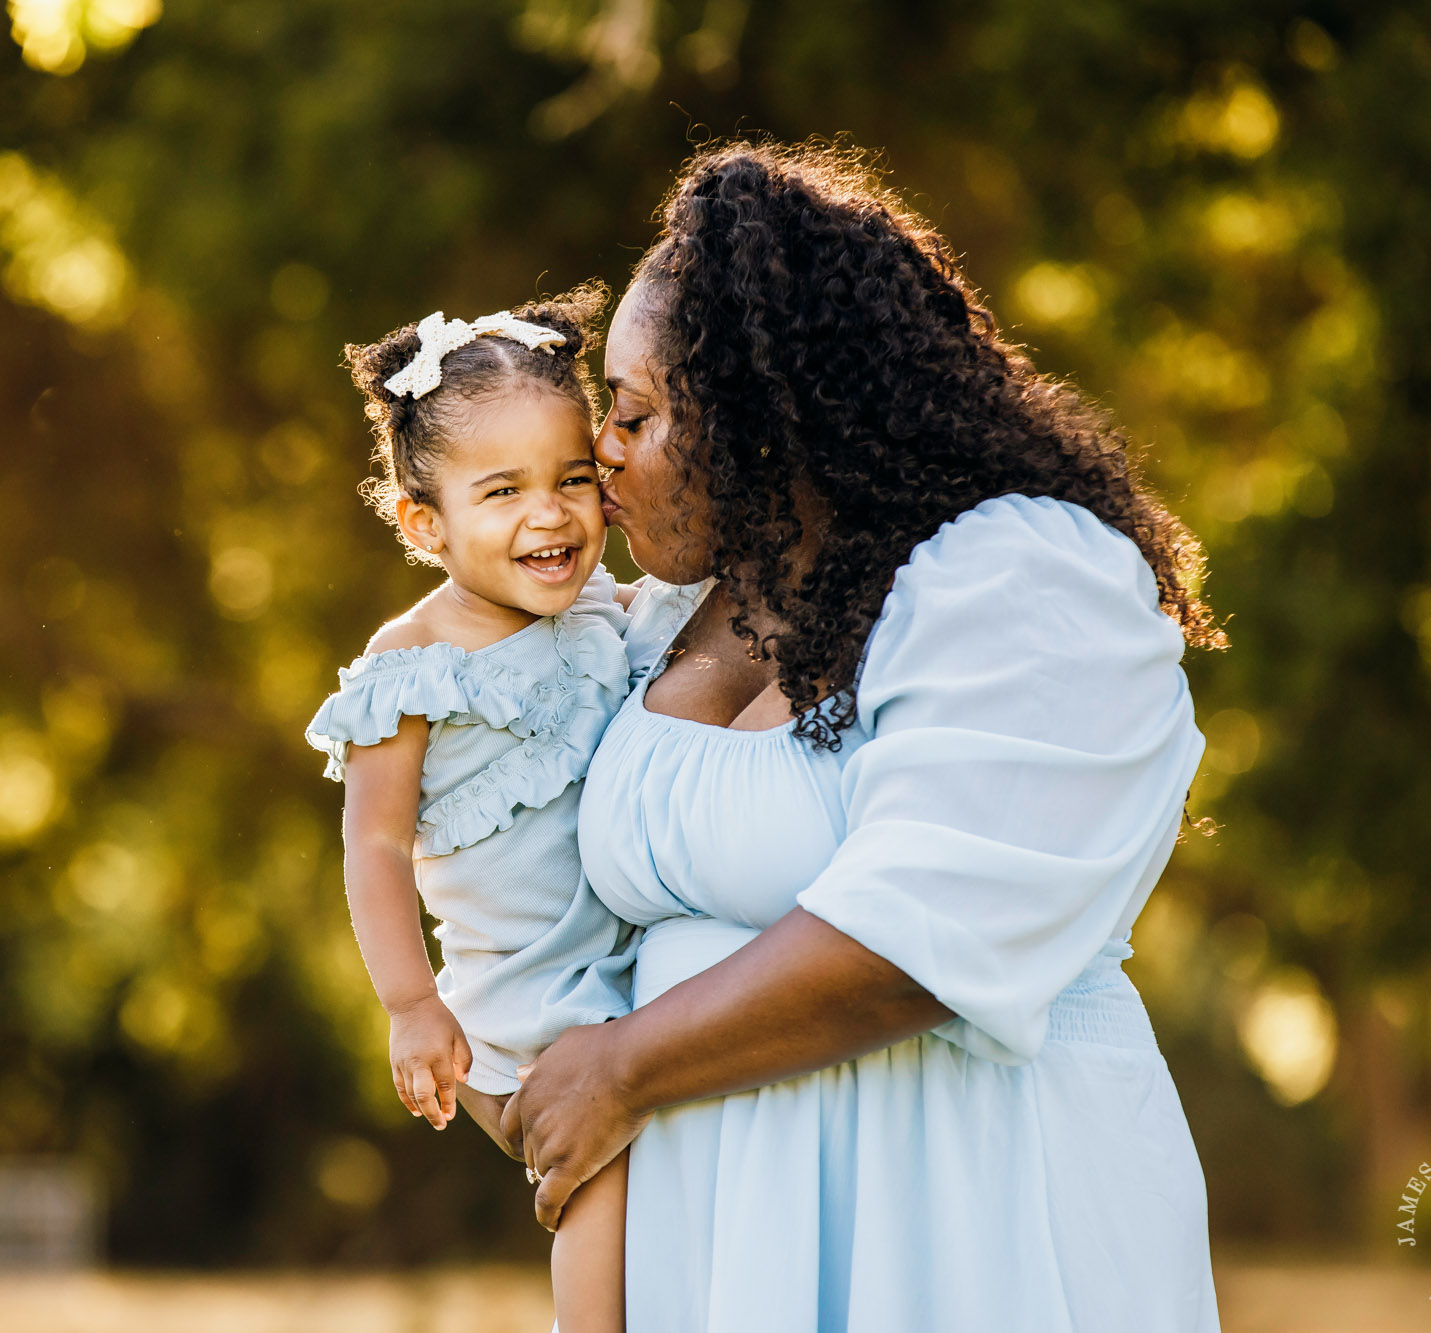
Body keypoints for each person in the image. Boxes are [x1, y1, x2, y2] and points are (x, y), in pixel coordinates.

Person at [501, 142, 1227, 1331]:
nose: (601, 454)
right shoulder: (661, 620)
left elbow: (920, 931)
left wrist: (624, 1065)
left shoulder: (1021, 576)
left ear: (758, 414)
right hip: (717, 1237)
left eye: (633, 413)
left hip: (958, 1213)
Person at [308, 290, 635, 1333]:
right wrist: (410, 1003)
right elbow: (372, 843)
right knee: (601, 1172)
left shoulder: (605, 615)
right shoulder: (407, 667)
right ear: (423, 522)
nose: (549, 513)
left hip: (626, 976)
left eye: (572, 478)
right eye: (501, 491)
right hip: (524, 1006)